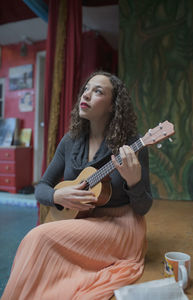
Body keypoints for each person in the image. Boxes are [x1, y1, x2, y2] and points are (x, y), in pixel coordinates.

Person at [2, 71, 153, 300]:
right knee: (42, 253)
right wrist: (57, 197)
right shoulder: (70, 141)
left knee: (37, 238)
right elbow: (41, 187)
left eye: (98, 91)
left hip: (121, 226)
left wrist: (134, 182)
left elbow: (143, 208)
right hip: (82, 220)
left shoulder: (132, 144)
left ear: (113, 106)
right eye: (87, 89)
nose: (87, 94)